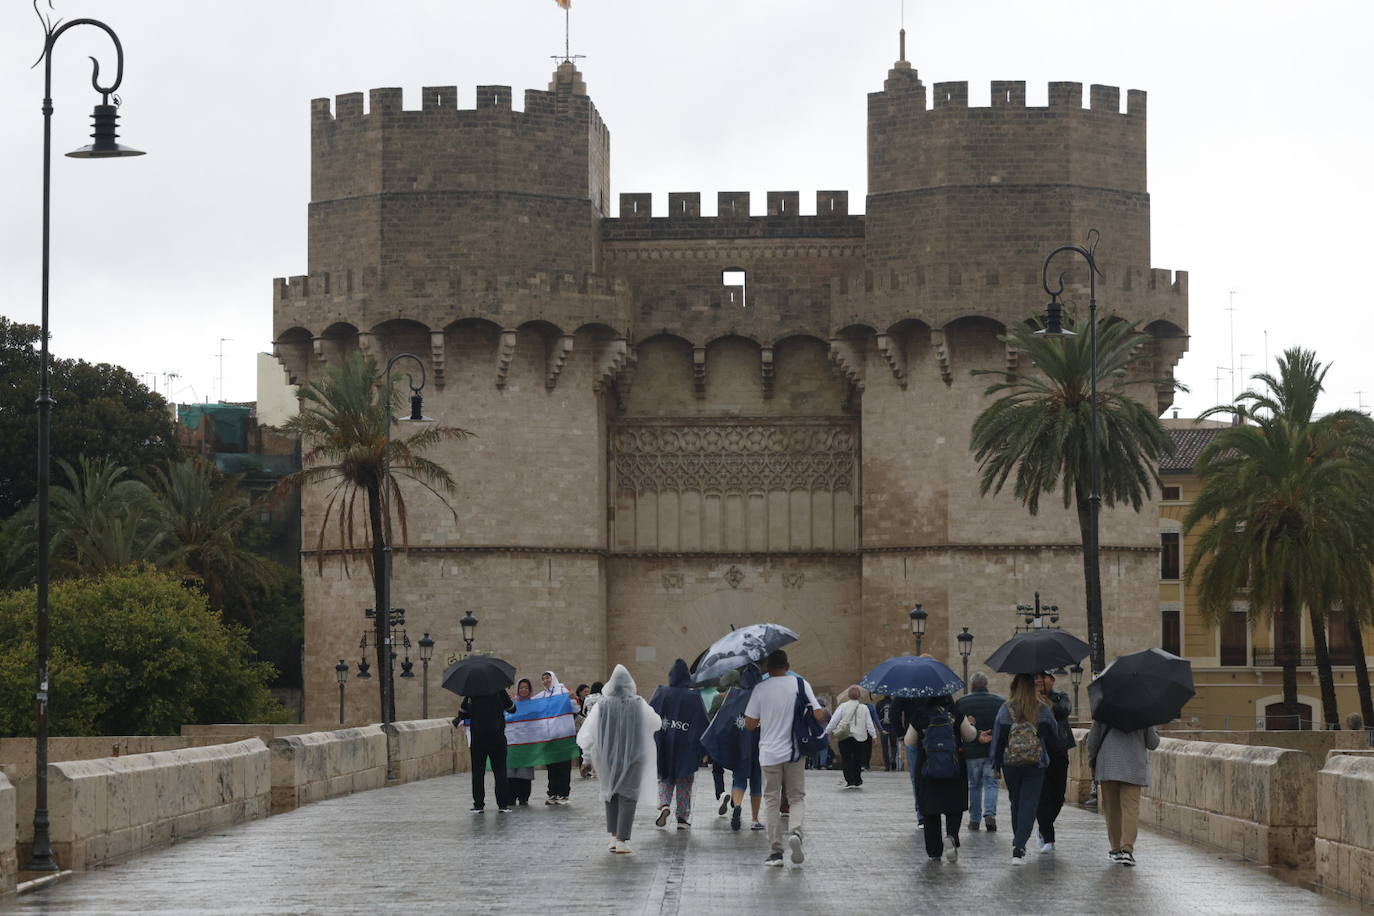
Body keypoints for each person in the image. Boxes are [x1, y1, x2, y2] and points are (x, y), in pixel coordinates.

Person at [745, 649, 829, 867]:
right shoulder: (801, 685)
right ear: (788, 665)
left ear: (767, 668)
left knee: (771, 800)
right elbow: (819, 714)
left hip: (769, 753)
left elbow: (750, 724)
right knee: (796, 797)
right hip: (794, 751)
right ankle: (796, 833)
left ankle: (775, 852)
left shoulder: (760, 688)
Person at [577, 664, 662, 854]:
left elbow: (589, 734)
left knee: (611, 794)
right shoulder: (638, 703)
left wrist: (587, 759)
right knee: (628, 796)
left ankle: (614, 836)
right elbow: (657, 722)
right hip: (634, 757)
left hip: (607, 759)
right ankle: (623, 839)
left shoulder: (602, 705)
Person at [988, 672, 1057, 863]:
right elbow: (1055, 733)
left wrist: (995, 764)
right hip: (1036, 763)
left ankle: (1018, 842)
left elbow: (998, 739)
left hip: (1011, 763)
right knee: (1029, 804)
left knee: (1016, 803)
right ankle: (1019, 846)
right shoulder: (1042, 709)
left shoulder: (1005, 709)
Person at [910, 694, 977, 861]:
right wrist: (973, 726)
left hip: (928, 768)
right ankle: (952, 836)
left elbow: (909, 741)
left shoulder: (920, 713)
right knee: (953, 806)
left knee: (930, 810)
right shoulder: (955, 712)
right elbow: (970, 736)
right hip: (953, 767)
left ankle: (934, 851)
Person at [1086, 718, 1160, 867]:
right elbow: (1153, 743)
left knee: (1111, 809)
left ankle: (1115, 850)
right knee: (1130, 809)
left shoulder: (1105, 709)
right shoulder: (1142, 711)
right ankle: (1127, 849)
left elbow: (1092, 741)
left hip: (1109, 764)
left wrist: (1091, 761)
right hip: (1133, 766)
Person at [702, 665, 766, 831]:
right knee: (756, 781)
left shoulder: (734, 696)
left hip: (740, 746)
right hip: (760, 746)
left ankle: (736, 805)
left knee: (739, 779)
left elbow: (723, 722)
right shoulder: (763, 696)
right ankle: (754, 819)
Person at [648, 658, 709, 829]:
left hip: (664, 743)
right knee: (684, 781)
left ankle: (664, 804)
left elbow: (650, 715)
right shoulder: (694, 697)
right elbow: (702, 722)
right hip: (686, 746)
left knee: (664, 777)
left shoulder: (661, 693)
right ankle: (682, 817)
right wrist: (702, 748)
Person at [954, 671, 1003, 831]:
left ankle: (974, 820)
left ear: (972, 685)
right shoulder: (999, 702)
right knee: (992, 783)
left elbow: (957, 728)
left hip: (972, 751)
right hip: (992, 750)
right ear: (986, 685)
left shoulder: (962, 703)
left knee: (974, 785)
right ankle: (990, 815)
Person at [1034, 670, 1076, 852]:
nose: (1039, 681)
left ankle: (1043, 826)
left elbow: (1064, 711)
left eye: (1043, 677)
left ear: (1052, 679)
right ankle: (1048, 838)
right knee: (1042, 796)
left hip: (1058, 751)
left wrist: (1047, 703)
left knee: (1058, 797)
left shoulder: (1061, 697)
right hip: (1037, 753)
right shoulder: (1029, 699)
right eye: (1036, 678)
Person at [457, 686, 516, 813]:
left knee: (478, 772)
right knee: (500, 772)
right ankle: (503, 805)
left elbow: (462, 713)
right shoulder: (499, 690)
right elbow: (512, 709)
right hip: (497, 737)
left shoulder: (471, 692)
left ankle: (478, 805)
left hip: (478, 738)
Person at [825, 685, 877, 789]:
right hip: (860, 737)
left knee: (846, 758)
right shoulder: (864, 708)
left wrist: (827, 731)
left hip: (845, 736)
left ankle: (849, 779)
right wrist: (874, 735)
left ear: (848, 695)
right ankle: (857, 779)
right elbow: (869, 723)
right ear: (859, 696)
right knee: (858, 758)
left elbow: (834, 720)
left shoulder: (842, 706)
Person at [537, 670, 575, 804]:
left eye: (547, 677)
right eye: (543, 679)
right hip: (548, 737)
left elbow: (575, 709)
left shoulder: (563, 691)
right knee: (552, 767)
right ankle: (552, 793)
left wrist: (571, 698)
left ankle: (564, 794)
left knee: (564, 766)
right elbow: (530, 706)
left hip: (563, 736)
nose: (546, 680)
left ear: (553, 678)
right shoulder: (542, 696)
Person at [507, 678, 536, 805]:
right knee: (511, 770)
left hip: (527, 743)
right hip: (512, 742)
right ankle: (511, 796)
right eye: (521, 688)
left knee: (525, 771)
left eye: (526, 688)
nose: (523, 690)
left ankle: (524, 797)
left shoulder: (534, 704)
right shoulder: (511, 704)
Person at [580, 681, 605, 778]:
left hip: (589, 723)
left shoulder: (587, 698)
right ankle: (597, 770)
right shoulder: (603, 698)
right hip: (600, 724)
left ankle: (589, 767)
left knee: (590, 745)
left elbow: (583, 711)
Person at [873, 695, 897, 771]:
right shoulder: (895, 703)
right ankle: (893, 758)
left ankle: (887, 765)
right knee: (894, 745)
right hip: (893, 726)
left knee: (885, 747)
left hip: (883, 727)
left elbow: (876, 716)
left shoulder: (879, 703)